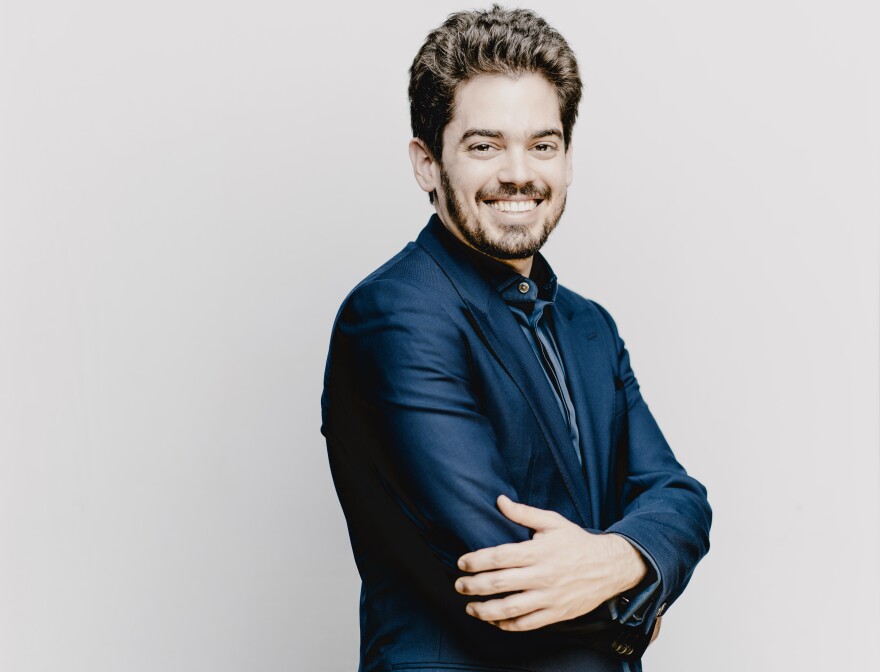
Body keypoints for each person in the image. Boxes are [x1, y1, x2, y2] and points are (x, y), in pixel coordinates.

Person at [320, 6, 711, 671]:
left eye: (542, 143)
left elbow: (678, 498)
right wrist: (637, 606)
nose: (518, 172)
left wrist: (622, 559)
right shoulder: (393, 317)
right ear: (426, 163)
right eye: (483, 145)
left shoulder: (590, 325)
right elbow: (498, 565)